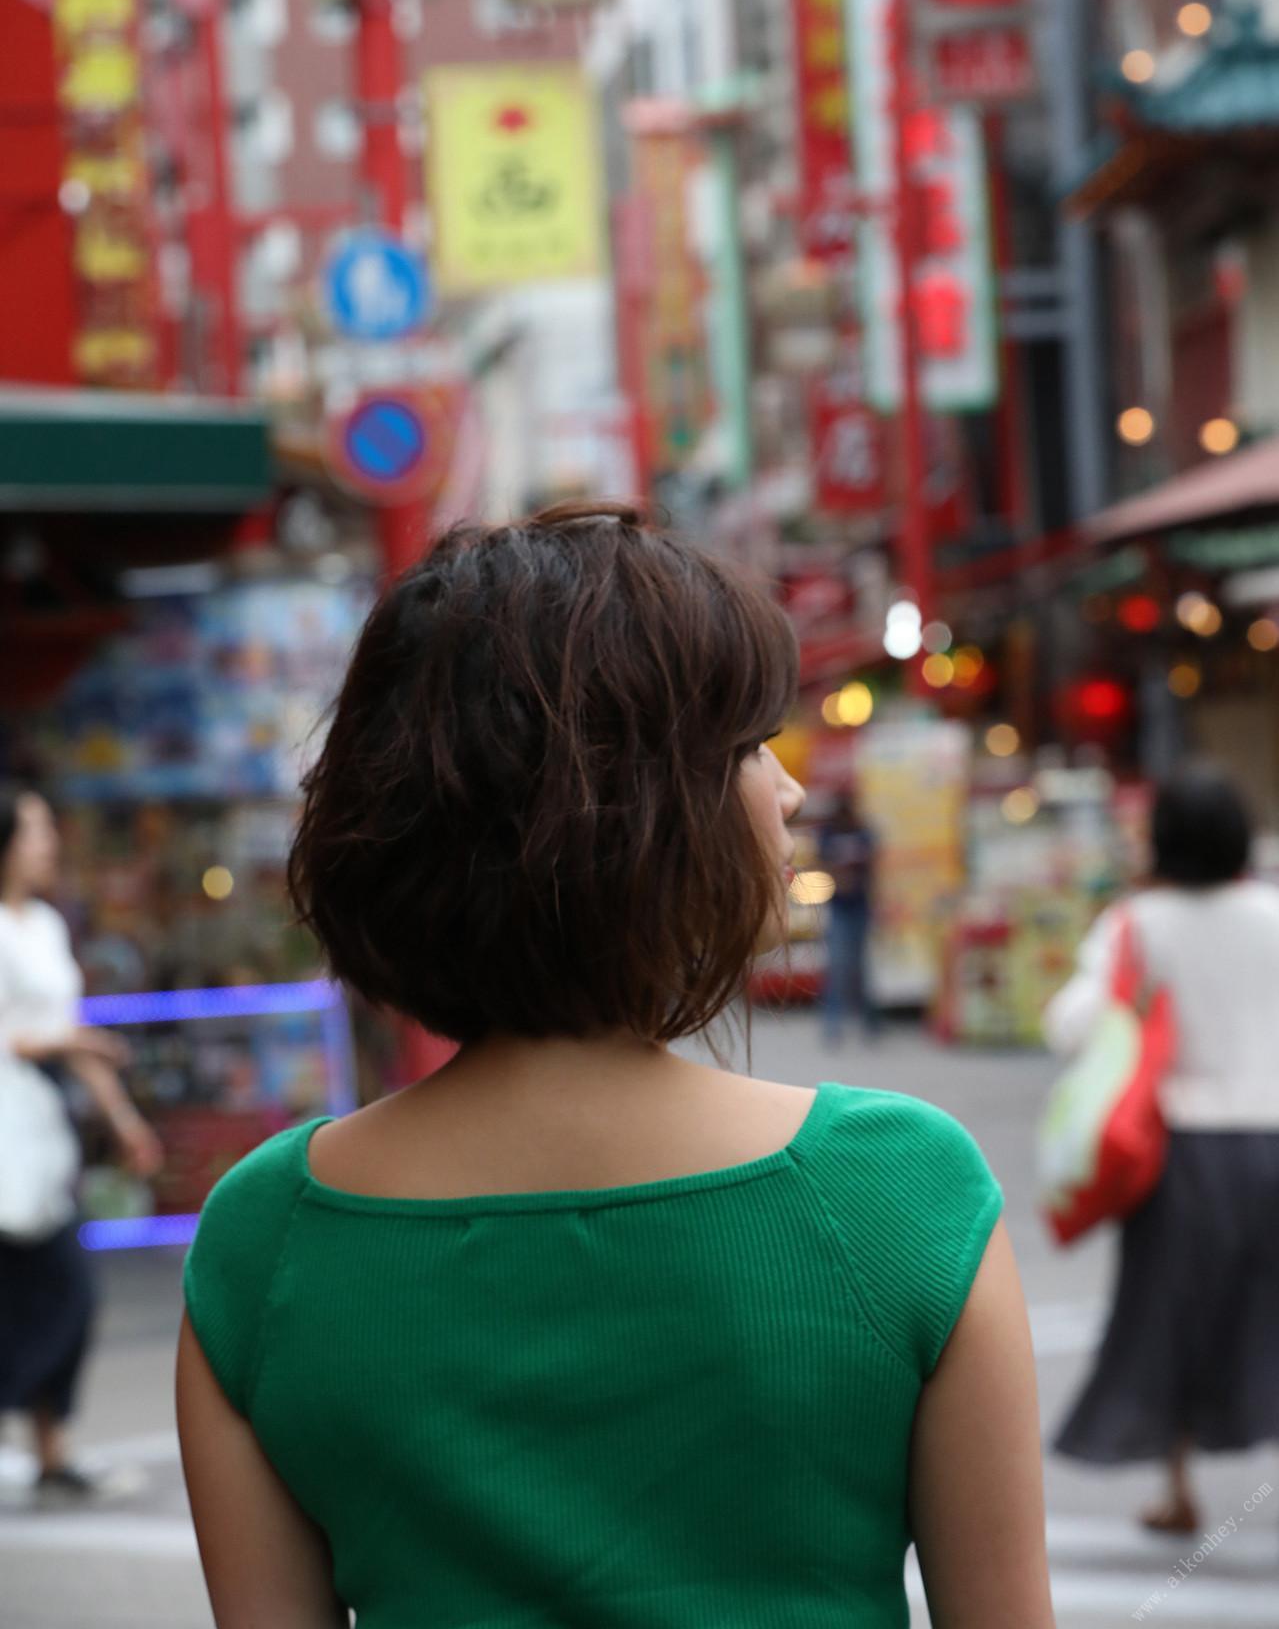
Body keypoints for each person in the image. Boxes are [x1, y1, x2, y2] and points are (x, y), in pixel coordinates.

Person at [178, 504, 1055, 1629]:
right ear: (635, 811)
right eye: (746, 750)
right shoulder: (898, 1193)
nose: (787, 791)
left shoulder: (264, 1241)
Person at [1043, 764, 1279, 1536]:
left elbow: (1068, 1026)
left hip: (1181, 1154)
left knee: (1168, 1316)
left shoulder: (1137, 927)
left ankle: (1176, 1490)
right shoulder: (1273, 915)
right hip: (1272, 1137)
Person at [0, 786, 162, 1500]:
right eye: (34, 829)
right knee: (39, 1291)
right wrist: (61, 1040)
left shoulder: (41, 925)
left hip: (33, 1137)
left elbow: (73, 1039)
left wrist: (125, 1122)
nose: (49, 842)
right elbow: (54, 1036)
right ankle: (48, 1445)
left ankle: (51, 1449)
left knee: (64, 1291)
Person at [816, 791, 880, 1045]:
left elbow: (874, 864)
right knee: (840, 967)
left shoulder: (862, 831)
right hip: (840, 907)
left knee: (861, 968)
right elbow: (822, 863)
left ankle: (869, 1023)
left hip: (859, 906)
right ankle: (835, 1024)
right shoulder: (830, 832)